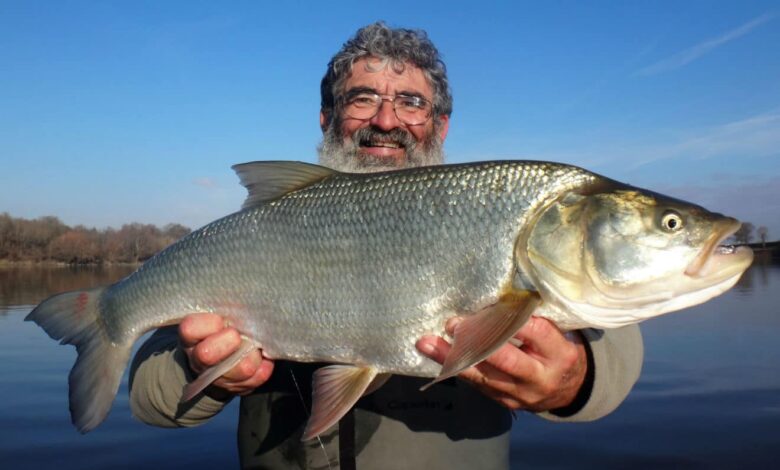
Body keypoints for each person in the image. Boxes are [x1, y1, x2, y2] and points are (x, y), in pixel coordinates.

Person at [129, 22, 643, 469]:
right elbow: (149, 399)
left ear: (440, 126)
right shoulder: (263, 227)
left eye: (411, 102)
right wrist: (206, 372)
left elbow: (614, 342)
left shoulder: (490, 212)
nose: (386, 120)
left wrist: (575, 377)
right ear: (328, 119)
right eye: (362, 98)